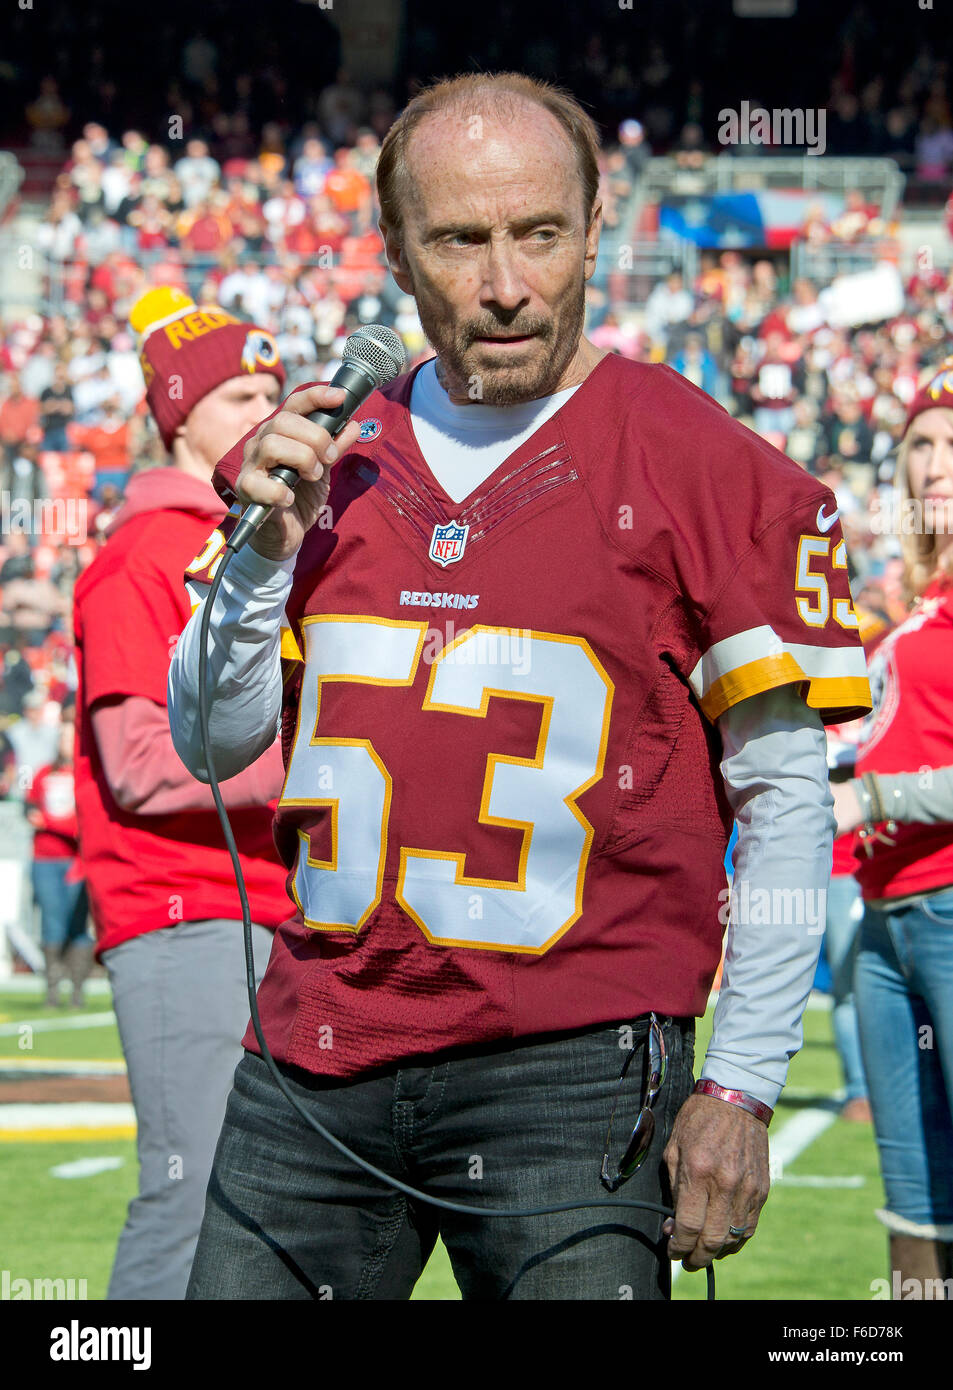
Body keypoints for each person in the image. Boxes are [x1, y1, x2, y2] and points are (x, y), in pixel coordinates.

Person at [169, 72, 870, 1302]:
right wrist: (261, 566)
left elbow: (783, 801)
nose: (504, 284)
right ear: (394, 250)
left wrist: (743, 1083)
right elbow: (213, 747)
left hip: (572, 1069)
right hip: (315, 1047)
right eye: (459, 239)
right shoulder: (327, 451)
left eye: (538, 234)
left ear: (595, 225)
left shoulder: (705, 465)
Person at [72, 286, 292, 1300]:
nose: (267, 410)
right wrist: (308, 772)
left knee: (273, 1205)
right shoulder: (141, 554)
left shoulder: (254, 541)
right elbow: (138, 764)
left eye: (273, 390)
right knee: (191, 1190)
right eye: (241, 392)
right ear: (177, 416)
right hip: (181, 908)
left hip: (266, 906)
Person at [833, 358, 953, 1298]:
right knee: (910, 1199)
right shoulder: (913, 609)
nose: (937, 462)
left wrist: (870, 801)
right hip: (887, 915)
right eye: (921, 443)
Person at [26, 720, 92, 1007]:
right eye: (62, 737)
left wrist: (49, 823)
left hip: (76, 861)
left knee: (76, 925)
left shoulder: (85, 774)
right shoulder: (44, 772)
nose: (66, 742)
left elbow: (82, 825)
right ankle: (52, 991)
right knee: (51, 924)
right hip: (44, 860)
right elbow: (29, 806)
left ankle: (77, 991)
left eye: (71, 737)